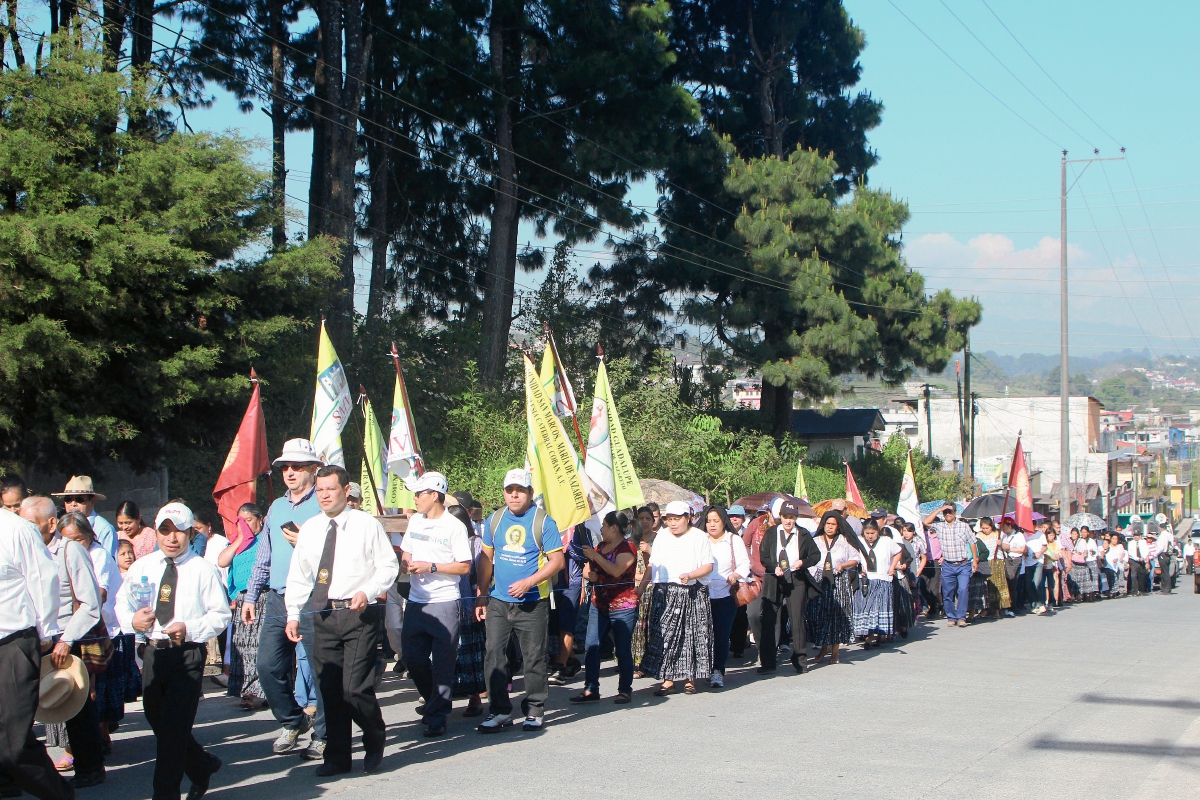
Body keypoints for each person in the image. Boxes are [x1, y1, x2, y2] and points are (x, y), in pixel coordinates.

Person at [285, 465, 397, 776]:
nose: (324, 495)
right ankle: (337, 756)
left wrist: (369, 590)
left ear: (346, 491)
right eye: (319, 490)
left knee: (354, 688)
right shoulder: (310, 528)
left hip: (359, 613)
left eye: (330, 489)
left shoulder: (365, 524)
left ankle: (374, 736)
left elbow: (389, 566)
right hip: (323, 613)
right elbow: (299, 574)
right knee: (329, 688)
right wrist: (293, 613)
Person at [115, 501, 230, 800]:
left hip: (187, 654)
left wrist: (189, 629)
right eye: (164, 530)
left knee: (174, 730)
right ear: (155, 531)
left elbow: (220, 615)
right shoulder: (143, 567)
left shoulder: (202, 569)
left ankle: (165, 794)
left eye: (178, 531)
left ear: (191, 533)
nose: (171, 537)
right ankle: (202, 765)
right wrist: (132, 620)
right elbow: (121, 605)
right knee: (157, 720)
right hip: (153, 652)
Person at [243, 439, 326, 759]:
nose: (289, 472)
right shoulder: (276, 507)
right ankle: (293, 721)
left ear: (313, 469)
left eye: (296, 466)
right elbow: (264, 554)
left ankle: (324, 732)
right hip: (278, 596)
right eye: (284, 467)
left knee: (320, 671)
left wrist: (308, 538)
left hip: (311, 597)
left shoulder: (323, 503)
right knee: (267, 666)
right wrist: (252, 595)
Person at [20, 497, 107, 789]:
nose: (26, 529)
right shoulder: (23, 551)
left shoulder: (70, 551)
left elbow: (90, 604)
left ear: (52, 523)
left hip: (67, 637)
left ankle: (90, 768)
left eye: (32, 524)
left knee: (78, 709)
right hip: (35, 638)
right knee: (27, 706)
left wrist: (67, 639)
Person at [475, 469, 565, 733]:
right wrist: (481, 594)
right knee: (494, 654)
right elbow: (485, 558)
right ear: (503, 492)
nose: (514, 495)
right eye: (509, 490)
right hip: (498, 601)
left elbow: (557, 562)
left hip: (533, 602)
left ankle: (535, 710)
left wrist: (529, 582)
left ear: (530, 493)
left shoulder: (543, 522)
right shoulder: (495, 520)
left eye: (520, 490)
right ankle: (500, 711)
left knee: (533, 657)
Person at [0, 507, 73, 800]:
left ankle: (59, 795)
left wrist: (44, 634)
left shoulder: (16, 529)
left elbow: (43, 581)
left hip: (12, 641)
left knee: (11, 744)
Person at [398, 472, 472, 738]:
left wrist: (430, 566)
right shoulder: (416, 521)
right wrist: (407, 562)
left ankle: (437, 715)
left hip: (444, 602)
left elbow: (464, 566)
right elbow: (407, 550)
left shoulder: (454, 526)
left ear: (435, 496)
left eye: (420, 494)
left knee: (443, 664)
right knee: (412, 659)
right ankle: (435, 701)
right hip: (417, 602)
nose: (415, 498)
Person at [58, 513, 128, 751]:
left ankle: (92, 740)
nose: (73, 545)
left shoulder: (97, 555)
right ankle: (89, 741)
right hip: (74, 629)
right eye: (67, 539)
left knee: (92, 690)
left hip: (98, 629)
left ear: (89, 536)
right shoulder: (59, 554)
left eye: (78, 539)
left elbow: (100, 595)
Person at [640, 501, 714, 696]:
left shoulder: (699, 537)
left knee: (691, 636)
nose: (673, 523)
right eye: (669, 519)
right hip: (665, 592)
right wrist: (640, 589)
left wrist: (691, 575)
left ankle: (690, 679)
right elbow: (653, 564)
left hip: (692, 592)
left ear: (687, 518)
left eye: (677, 519)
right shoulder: (663, 536)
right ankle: (668, 679)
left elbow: (708, 566)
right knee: (666, 636)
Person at [571, 510, 638, 704]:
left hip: (622, 606)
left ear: (614, 528)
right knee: (592, 646)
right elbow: (594, 570)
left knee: (622, 649)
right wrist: (591, 575)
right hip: (599, 604)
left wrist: (595, 556)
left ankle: (625, 689)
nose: (601, 529)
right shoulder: (601, 546)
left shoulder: (628, 547)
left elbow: (616, 571)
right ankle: (591, 688)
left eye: (604, 526)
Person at [756, 500, 817, 675]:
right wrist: (772, 566)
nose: (788, 521)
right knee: (769, 619)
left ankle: (800, 660)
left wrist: (802, 562)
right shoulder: (771, 532)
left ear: (796, 518)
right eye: (785, 517)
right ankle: (768, 662)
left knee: (797, 620)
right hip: (775, 578)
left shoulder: (803, 534)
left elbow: (815, 555)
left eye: (791, 517)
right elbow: (764, 555)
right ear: (780, 517)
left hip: (796, 579)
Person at [218, 503, 266, 710]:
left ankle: (260, 691)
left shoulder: (266, 540)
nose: (245, 524)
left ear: (260, 519)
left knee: (259, 647)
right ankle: (245, 691)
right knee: (242, 646)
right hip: (241, 600)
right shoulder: (237, 543)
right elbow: (222, 561)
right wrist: (240, 538)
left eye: (248, 520)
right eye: (240, 521)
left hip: (264, 597)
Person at [806, 511, 866, 664]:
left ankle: (835, 652)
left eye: (833, 524)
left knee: (836, 616)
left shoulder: (844, 541)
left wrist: (843, 565)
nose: (830, 527)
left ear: (838, 526)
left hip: (839, 581)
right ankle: (823, 648)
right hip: (820, 581)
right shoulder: (815, 540)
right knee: (822, 615)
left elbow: (856, 559)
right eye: (828, 524)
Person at [701, 506, 750, 686]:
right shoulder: (700, 540)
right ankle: (705, 667)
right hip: (702, 594)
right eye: (708, 521)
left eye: (716, 521)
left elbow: (744, 564)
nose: (712, 525)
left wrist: (735, 575)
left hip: (725, 594)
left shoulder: (733, 540)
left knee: (721, 634)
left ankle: (718, 670)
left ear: (723, 521)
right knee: (704, 634)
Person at [445, 503, 487, 717]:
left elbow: (482, 576)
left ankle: (475, 698)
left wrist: (480, 601)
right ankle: (441, 700)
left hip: (469, 606)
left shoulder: (475, 544)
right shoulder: (443, 543)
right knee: (446, 654)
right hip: (446, 605)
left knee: (471, 654)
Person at [923, 504, 978, 628]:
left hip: (963, 563)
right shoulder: (940, 526)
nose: (948, 514)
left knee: (963, 590)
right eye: (946, 512)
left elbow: (972, 542)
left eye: (950, 511)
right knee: (947, 592)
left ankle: (961, 617)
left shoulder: (963, 526)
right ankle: (951, 617)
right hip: (948, 564)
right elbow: (926, 522)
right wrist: (939, 510)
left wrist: (975, 560)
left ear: (955, 512)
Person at [548, 523, 585, 686]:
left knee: (566, 623)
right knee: (554, 624)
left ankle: (560, 667)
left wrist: (566, 546)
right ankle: (571, 660)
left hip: (572, 580)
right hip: (552, 581)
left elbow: (585, 554)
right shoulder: (548, 524)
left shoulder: (579, 527)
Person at [854, 520, 902, 648]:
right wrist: (858, 567)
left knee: (878, 607)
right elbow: (854, 556)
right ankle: (869, 635)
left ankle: (876, 636)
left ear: (878, 531)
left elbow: (898, 551)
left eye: (873, 533)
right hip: (866, 580)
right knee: (867, 608)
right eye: (867, 533)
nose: (870, 536)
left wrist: (892, 566)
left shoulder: (886, 541)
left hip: (882, 579)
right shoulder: (859, 541)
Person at [53, 477, 118, 559]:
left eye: (79, 499)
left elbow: (106, 561)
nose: (73, 504)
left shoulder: (104, 529)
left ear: (92, 502)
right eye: (68, 499)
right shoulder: (60, 525)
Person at [631, 505, 658, 674]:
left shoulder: (660, 539)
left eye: (648, 518)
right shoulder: (631, 541)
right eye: (641, 518)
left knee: (651, 626)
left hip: (653, 587)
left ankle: (652, 661)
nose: (644, 522)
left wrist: (650, 550)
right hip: (634, 587)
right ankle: (636, 663)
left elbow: (665, 562)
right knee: (636, 626)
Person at [975, 517, 1010, 618]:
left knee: (997, 586)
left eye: (987, 528)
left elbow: (1007, 547)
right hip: (984, 562)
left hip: (996, 561)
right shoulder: (978, 535)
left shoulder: (999, 534)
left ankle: (997, 610)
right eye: (983, 528)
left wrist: (1001, 544)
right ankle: (984, 610)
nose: (985, 530)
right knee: (985, 587)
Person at [1023, 522, 1048, 615]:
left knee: (1036, 582)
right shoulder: (1024, 535)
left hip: (1038, 561)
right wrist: (1024, 552)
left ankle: (1041, 603)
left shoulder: (1040, 534)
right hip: (1027, 562)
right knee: (1029, 584)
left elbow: (1045, 546)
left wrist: (1039, 553)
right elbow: (1023, 547)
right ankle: (1034, 605)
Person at [1127, 529, 1149, 596]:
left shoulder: (1143, 542)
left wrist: (1144, 558)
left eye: (1137, 535)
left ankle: (1141, 590)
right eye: (1134, 535)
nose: (1136, 537)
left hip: (1142, 561)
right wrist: (1137, 558)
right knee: (1133, 576)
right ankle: (1134, 591)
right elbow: (1130, 553)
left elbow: (1146, 551)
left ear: (1140, 536)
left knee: (1141, 576)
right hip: (1134, 561)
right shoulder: (1131, 543)